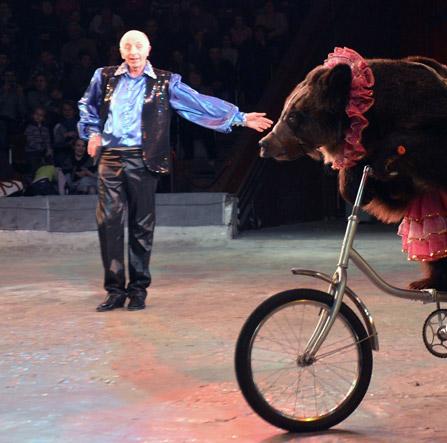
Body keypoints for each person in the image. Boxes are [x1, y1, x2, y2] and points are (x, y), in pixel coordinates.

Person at [78, 29, 272, 312]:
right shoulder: (104, 76)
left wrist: (239, 117)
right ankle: (115, 291)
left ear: (148, 50)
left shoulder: (165, 82)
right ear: (120, 51)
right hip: (110, 157)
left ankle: (138, 290)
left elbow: (197, 102)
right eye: (127, 46)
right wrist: (93, 133)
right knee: (109, 223)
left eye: (139, 46)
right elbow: (88, 106)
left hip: (142, 159)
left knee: (141, 225)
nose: (133, 51)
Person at [24, 105, 52, 173]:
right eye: (36, 114)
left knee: (50, 157)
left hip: (43, 151)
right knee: (35, 161)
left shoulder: (45, 129)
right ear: (33, 115)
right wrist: (43, 149)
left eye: (41, 115)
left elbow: (47, 141)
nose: (38, 116)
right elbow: (31, 143)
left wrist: (48, 149)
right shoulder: (29, 128)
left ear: (44, 118)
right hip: (32, 151)